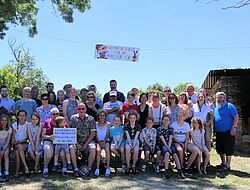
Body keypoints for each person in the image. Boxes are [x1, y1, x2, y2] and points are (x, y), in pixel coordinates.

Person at [214, 92, 238, 172]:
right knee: (220, 148)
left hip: (228, 131)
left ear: (224, 98)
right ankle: (223, 163)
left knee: (228, 148)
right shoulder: (216, 108)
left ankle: (228, 165)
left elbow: (235, 117)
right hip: (219, 132)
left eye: (220, 97)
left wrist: (233, 127)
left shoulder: (229, 106)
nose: (219, 99)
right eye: (217, 97)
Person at [70, 103, 96, 176]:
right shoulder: (73, 118)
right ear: (77, 109)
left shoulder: (91, 118)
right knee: (71, 148)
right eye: (79, 109)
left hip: (88, 141)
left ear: (86, 109)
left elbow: (93, 133)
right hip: (76, 141)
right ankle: (75, 169)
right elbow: (71, 132)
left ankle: (89, 169)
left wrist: (86, 144)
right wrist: (77, 143)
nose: (81, 110)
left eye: (83, 109)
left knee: (93, 148)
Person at [157, 115, 185, 179]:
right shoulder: (159, 129)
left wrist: (169, 147)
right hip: (162, 145)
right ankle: (166, 171)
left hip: (170, 144)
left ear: (170, 121)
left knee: (175, 154)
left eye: (167, 120)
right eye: (164, 120)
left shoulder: (171, 129)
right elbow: (162, 140)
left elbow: (170, 139)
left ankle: (180, 170)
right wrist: (167, 148)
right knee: (167, 153)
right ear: (162, 121)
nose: (166, 121)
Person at [42, 108, 61, 178]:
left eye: (57, 114)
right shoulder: (47, 122)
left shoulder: (61, 122)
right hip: (48, 140)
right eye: (54, 114)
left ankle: (64, 168)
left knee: (63, 152)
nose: (55, 115)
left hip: (59, 142)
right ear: (50, 115)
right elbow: (43, 135)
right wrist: (50, 137)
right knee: (48, 150)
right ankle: (45, 168)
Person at [12, 110, 30, 177]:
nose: (22, 117)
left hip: (24, 143)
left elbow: (28, 137)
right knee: (19, 147)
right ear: (17, 116)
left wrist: (21, 142)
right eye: (20, 115)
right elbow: (13, 137)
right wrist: (14, 142)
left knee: (17, 152)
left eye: (23, 115)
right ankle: (26, 167)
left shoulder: (27, 125)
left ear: (25, 116)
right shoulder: (14, 125)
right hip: (16, 143)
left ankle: (17, 171)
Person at [95, 110, 111, 176]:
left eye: (103, 115)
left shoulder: (108, 124)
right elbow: (95, 135)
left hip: (106, 141)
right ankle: (97, 168)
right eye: (100, 115)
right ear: (98, 116)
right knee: (98, 150)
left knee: (107, 150)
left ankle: (108, 168)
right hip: (98, 141)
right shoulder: (95, 124)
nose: (102, 117)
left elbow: (107, 134)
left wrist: (104, 142)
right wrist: (99, 142)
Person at [0, 115, 12, 182]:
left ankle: (7, 172)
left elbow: (8, 141)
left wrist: (4, 149)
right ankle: (0, 173)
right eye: (2, 120)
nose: (4, 122)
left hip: (6, 144)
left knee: (6, 154)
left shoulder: (9, 129)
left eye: (5, 120)